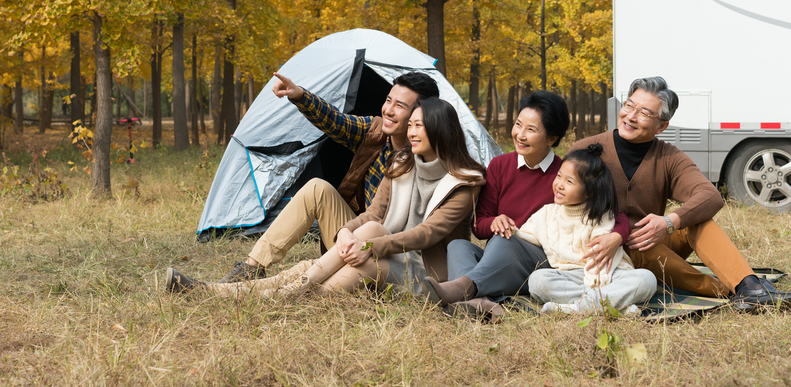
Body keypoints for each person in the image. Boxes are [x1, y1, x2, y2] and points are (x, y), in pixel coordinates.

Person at [168, 98, 485, 298]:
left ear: (440, 131)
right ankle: (235, 289)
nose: (412, 132)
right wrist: (348, 232)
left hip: (424, 273)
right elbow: (374, 214)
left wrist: (369, 246)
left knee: (366, 249)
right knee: (370, 229)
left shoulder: (464, 181)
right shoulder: (401, 163)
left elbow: (427, 233)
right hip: (381, 249)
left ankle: (236, 294)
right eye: (411, 125)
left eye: (420, 126)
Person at [571, 76, 791, 311]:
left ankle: (749, 286)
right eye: (629, 105)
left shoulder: (668, 157)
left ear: (661, 126)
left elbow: (710, 195)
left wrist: (668, 222)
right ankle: (727, 290)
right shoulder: (585, 150)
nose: (631, 116)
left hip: (652, 241)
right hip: (606, 250)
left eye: (644, 113)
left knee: (698, 222)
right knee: (642, 246)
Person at [421, 91, 631, 322]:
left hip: (539, 259)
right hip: (498, 257)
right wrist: (493, 221)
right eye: (518, 125)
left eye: (531, 129)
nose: (520, 135)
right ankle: (477, 301)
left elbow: (612, 213)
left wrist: (617, 237)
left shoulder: (566, 176)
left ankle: (460, 290)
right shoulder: (499, 165)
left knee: (505, 240)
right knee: (458, 246)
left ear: (551, 138)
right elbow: (479, 226)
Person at [518, 143, 657, 314]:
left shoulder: (600, 215)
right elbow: (524, 234)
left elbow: (599, 260)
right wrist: (508, 228)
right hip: (571, 276)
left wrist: (595, 284)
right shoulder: (547, 212)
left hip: (609, 274)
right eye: (559, 176)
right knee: (538, 280)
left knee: (646, 279)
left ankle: (577, 308)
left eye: (569, 181)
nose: (560, 185)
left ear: (589, 192)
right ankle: (611, 307)